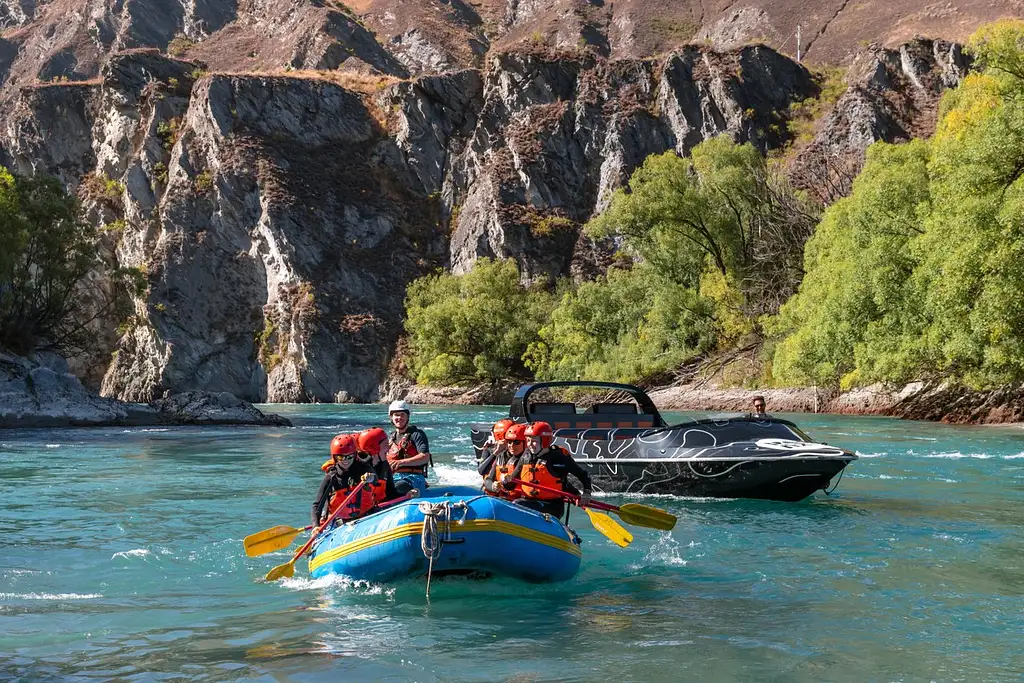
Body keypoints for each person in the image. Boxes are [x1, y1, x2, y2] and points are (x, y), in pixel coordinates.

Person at [503, 421, 592, 519]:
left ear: (544, 440)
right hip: (529, 501)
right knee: (516, 503)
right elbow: (510, 485)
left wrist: (586, 493)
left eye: (534, 441)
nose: (530, 444)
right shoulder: (526, 456)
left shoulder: (559, 457)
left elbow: (584, 475)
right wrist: (506, 481)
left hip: (552, 506)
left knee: (518, 504)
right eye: (528, 440)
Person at [311, 434, 382, 527]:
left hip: (367, 515)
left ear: (355, 455)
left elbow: (375, 480)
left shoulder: (363, 467)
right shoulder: (331, 477)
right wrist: (315, 526)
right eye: (341, 457)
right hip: (341, 523)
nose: (346, 460)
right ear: (335, 457)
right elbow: (317, 505)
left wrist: (370, 477)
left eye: (349, 457)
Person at [385, 400, 432, 495]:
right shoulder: (390, 438)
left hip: (413, 477)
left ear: (407, 417)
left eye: (402, 414)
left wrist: (401, 462)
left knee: (396, 488)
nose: (399, 418)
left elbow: (425, 457)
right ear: (391, 417)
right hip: (393, 477)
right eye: (396, 415)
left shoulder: (417, 434)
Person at [483, 421, 527, 500]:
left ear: (525, 443)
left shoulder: (527, 459)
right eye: (509, 442)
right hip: (502, 498)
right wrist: (493, 487)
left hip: (519, 499)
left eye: (516, 442)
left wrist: (507, 480)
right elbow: (488, 480)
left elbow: (510, 485)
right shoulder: (501, 456)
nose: (512, 446)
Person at [355, 427, 401, 502]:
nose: (389, 448)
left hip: (379, 508)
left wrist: (408, 495)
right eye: (385, 444)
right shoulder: (359, 467)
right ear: (374, 447)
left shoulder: (385, 465)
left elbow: (392, 494)